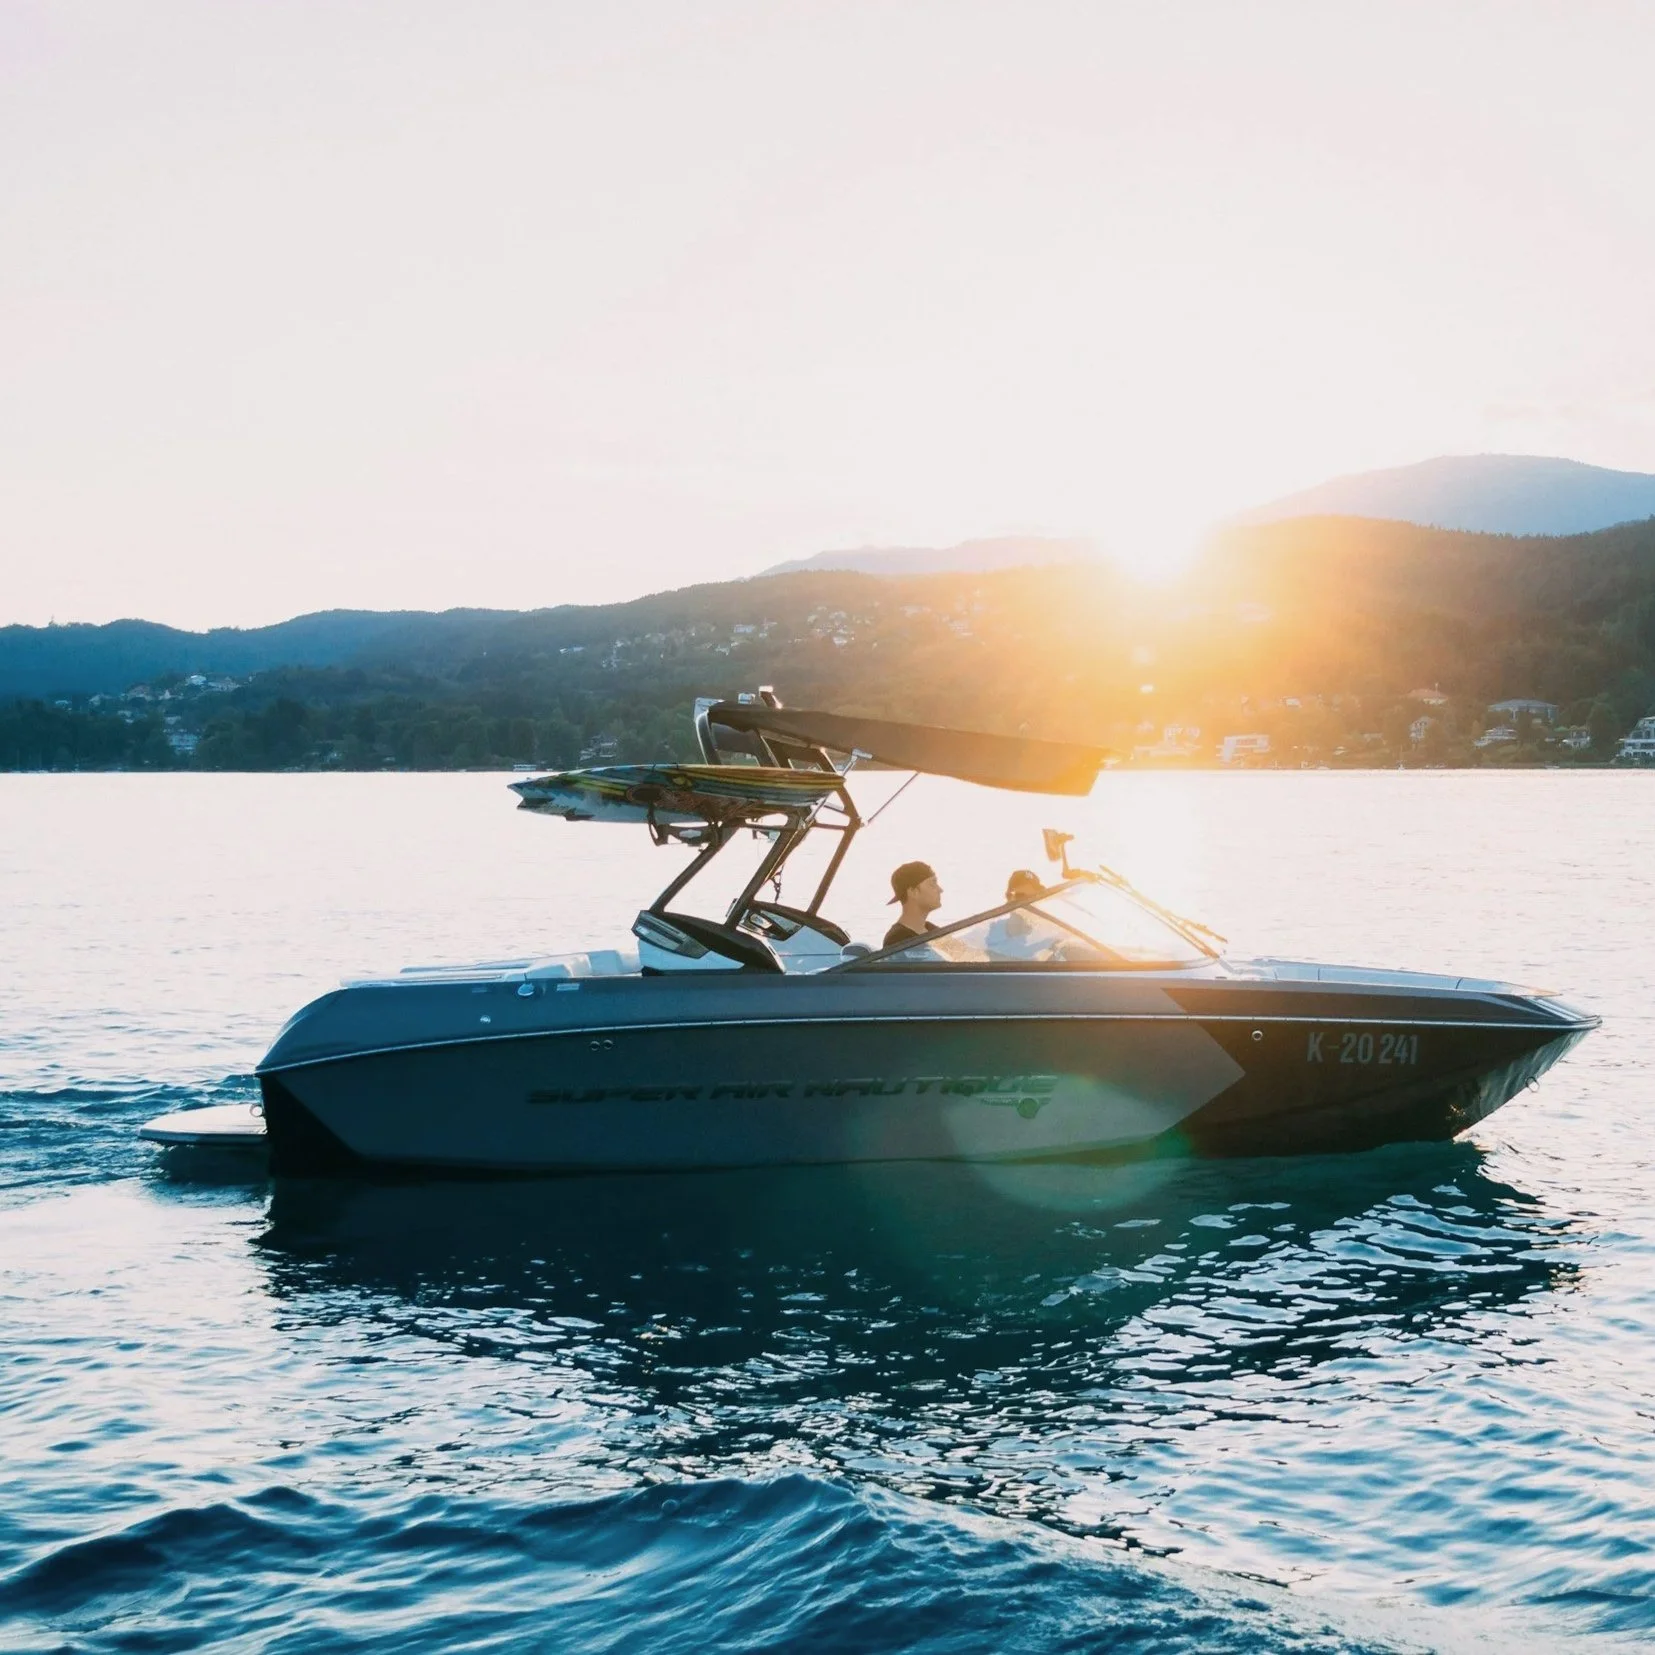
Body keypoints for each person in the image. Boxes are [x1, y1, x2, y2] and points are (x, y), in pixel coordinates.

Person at [986, 868, 1059, 959]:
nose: (1029, 903)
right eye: (1021, 896)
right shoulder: (988, 930)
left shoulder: (1049, 930)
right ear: (1009, 898)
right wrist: (1045, 943)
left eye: (1034, 897)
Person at [882, 860, 943, 950]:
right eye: (932, 884)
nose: (940, 890)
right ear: (913, 892)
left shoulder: (931, 929)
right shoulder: (897, 939)